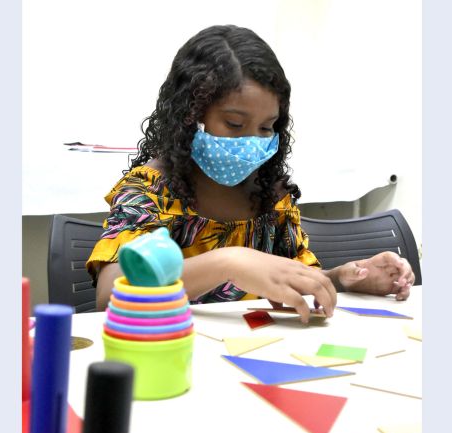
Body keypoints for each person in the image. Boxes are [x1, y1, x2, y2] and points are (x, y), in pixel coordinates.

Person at [87, 25, 415, 322]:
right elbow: (109, 296)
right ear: (190, 115)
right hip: (174, 354)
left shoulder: (269, 194)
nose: (251, 142)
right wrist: (228, 262)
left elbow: (290, 279)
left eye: (266, 127)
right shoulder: (151, 192)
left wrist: (343, 278)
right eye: (233, 124)